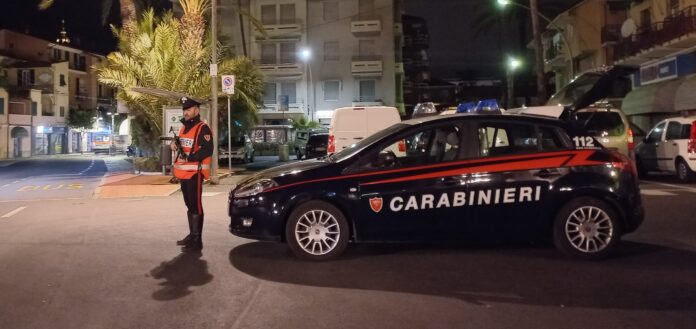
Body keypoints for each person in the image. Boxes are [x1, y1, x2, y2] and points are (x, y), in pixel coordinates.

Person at [171, 96, 213, 252]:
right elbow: (182, 145)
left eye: (188, 109)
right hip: (184, 174)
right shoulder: (183, 128)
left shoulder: (203, 128)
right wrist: (174, 144)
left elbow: (208, 150)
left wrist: (191, 157)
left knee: (196, 207)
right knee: (189, 206)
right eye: (184, 110)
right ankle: (192, 235)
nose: (186, 112)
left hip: (195, 174)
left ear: (197, 109)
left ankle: (197, 240)